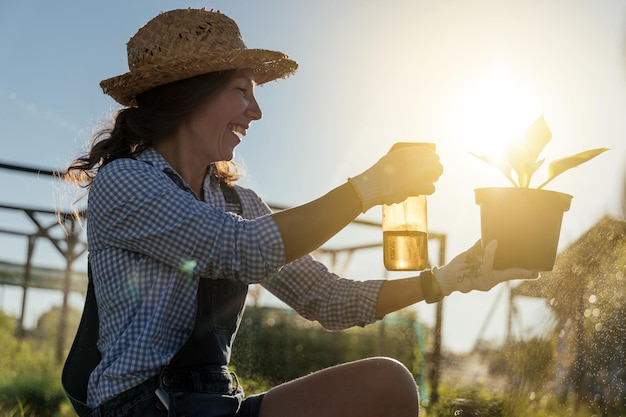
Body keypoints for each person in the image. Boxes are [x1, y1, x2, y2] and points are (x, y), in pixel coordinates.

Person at [63, 8, 537, 417]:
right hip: (141, 408)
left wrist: (450, 278)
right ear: (191, 92)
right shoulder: (125, 183)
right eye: (242, 91)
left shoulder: (238, 202)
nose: (256, 111)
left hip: (217, 405)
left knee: (388, 384)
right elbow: (241, 250)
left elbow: (326, 299)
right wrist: (369, 188)